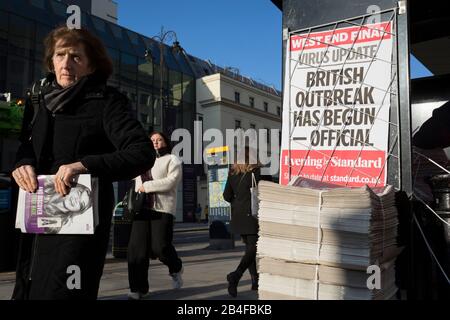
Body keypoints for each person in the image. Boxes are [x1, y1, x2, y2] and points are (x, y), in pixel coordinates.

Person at [11, 26, 155, 300]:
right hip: (35, 223)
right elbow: (26, 146)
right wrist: (24, 163)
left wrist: (84, 165)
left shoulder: (107, 102)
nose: (66, 63)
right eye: (60, 55)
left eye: (75, 56)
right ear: (51, 61)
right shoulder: (39, 101)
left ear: (91, 65)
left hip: (78, 226)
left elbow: (141, 152)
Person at [127, 131, 183, 299]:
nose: (156, 142)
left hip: (162, 209)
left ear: (165, 142)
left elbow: (171, 181)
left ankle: (176, 267)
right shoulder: (143, 161)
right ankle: (138, 289)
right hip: (141, 209)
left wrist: (147, 186)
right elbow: (135, 183)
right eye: (152, 140)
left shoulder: (173, 160)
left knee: (160, 247)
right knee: (137, 250)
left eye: (159, 140)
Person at [222, 146, 271, 298]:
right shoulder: (259, 172)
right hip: (253, 215)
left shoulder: (233, 173)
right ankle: (236, 275)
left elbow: (226, 195)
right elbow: (269, 192)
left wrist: (238, 202)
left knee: (249, 248)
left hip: (238, 216)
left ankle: (255, 280)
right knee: (253, 248)